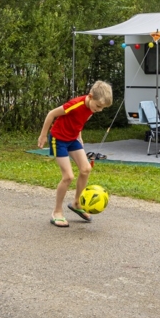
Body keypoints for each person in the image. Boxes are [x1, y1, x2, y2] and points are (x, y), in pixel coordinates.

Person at [37, 81, 113, 228]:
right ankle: (57, 212)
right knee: (68, 176)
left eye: (102, 108)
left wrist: (80, 136)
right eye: (98, 106)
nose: (99, 110)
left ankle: (77, 203)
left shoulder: (92, 108)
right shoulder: (75, 104)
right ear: (90, 96)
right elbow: (51, 114)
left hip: (72, 138)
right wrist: (43, 135)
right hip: (58, 139)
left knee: (86, 169)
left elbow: (79, 121)